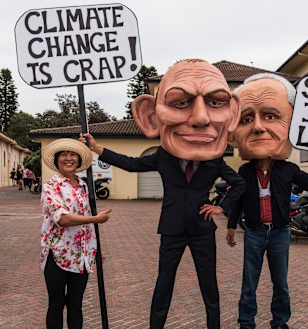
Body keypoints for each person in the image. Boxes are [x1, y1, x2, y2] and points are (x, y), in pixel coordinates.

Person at [81, 58, 246, 329]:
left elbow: (239, 184)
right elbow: (132, 164)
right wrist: (99, 150)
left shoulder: (212, 159)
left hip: (202, 229)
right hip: (171, 228)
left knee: (209, 284)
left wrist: (221, 207)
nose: (200, 118)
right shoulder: (163, 156)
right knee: (164, 283)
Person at [225, 73, 308, 329]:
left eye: (270, 116)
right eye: (247, 119)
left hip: (280, 232)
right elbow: (236, 200)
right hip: (255, 233)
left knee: (280, 283)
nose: (258, 127)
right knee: (249, 282)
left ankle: (280, 322)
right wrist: (230, 226)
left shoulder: (287, 169)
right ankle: (246, 322)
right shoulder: (245, 172)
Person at [40, 138, 112, 329]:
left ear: (79, 161)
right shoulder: (50, 186)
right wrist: (95, 219)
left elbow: (87, 222)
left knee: (75, 306)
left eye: (73, 154)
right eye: (63, 154)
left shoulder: (84, 185)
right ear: (57, 160)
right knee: (56, 305)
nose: (69, 158)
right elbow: (62, 218)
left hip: (81, 255)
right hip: (57, 254)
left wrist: (95, 248)